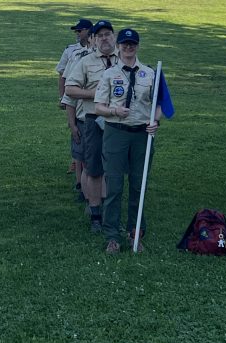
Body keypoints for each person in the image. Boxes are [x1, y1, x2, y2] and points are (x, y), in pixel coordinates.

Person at [94, 28, 162, 254]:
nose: (128, 47)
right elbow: (98, 107)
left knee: (138, 185)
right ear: (118, 46)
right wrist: (114, 111)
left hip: (142, 134)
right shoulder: (109, 74)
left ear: (138, 46)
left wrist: (156, 121)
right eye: (124, 44)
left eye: (132, 44)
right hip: (116, 133)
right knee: (114, 186)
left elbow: (159, 104)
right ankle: (111, 235)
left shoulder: (150, 73)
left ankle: (135, 233)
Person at [63, 20, 118, 233]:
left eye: (108, 34)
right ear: (93, 40)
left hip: (118, 122)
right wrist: (96, 95)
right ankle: (95, 210)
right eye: (99, 35)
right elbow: (70, 90)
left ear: (114, 37)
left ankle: (109, 208)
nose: (104, 38)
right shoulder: (84, 62)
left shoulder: (124, 60)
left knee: (113, 168)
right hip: (93, 121)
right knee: (93, 167)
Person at [58, 19, 95, 196]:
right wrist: (71, 122)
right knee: (81, 155)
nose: (78, 33)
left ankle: (94, 193)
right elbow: (65, 80)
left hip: (104, 116)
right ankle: (82, 187)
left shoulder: (113, 59)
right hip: (81, 113)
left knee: (94, 158)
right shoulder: (75, 55)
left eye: (80, 30)